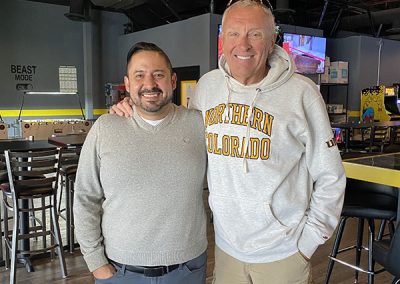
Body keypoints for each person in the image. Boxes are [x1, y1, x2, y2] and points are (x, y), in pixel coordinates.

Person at [110, 1, 346, 283]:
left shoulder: (302, 94)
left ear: (272, 42)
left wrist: (307, 244)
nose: (243, 45)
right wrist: (131, 106)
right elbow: (176, 127)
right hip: (226, 250)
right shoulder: (208, 87)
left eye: (255, 34)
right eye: (234, 33)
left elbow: (331, 176)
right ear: (223, 40)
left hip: (284, 253)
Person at [74, 42, 208, 284]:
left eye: (158, 74)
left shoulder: (199, 125)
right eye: (140, 75)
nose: (149, 84)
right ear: (127, 84)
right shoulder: (106, 128)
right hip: (120, 272)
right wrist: (96, 263)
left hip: (187, 270)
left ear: (173, 80)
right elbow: (85, 197)